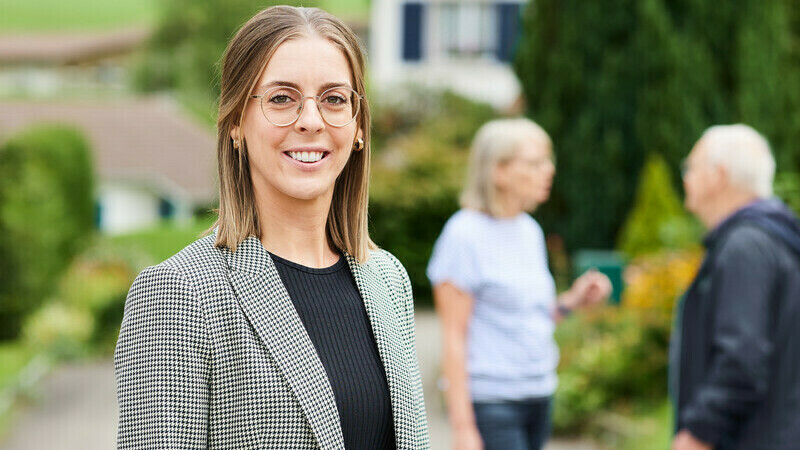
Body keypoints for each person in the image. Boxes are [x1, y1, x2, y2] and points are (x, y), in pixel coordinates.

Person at [114, 6, 430, 449]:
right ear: (237, 123)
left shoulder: (388, 280)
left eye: (334, 99)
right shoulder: (178, 294)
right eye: (282, 98)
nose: (311, 120)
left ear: (358, 127)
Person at [427, 118, 612, 450]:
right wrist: (463, 427)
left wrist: (574, 299)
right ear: (498, 172)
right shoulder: (463, 235)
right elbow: (453, 338)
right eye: (535, 162)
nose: (549, 170)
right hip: (493, 403)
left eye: (548, 160)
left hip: (539, 394)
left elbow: (534, 315)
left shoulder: (529, 230)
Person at [671, 124, 800, 450]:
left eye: (691, 167)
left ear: (718, 176)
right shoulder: (771, 239)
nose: (685, 178)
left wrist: (698, 433)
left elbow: (742, 358)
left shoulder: (745, 246)